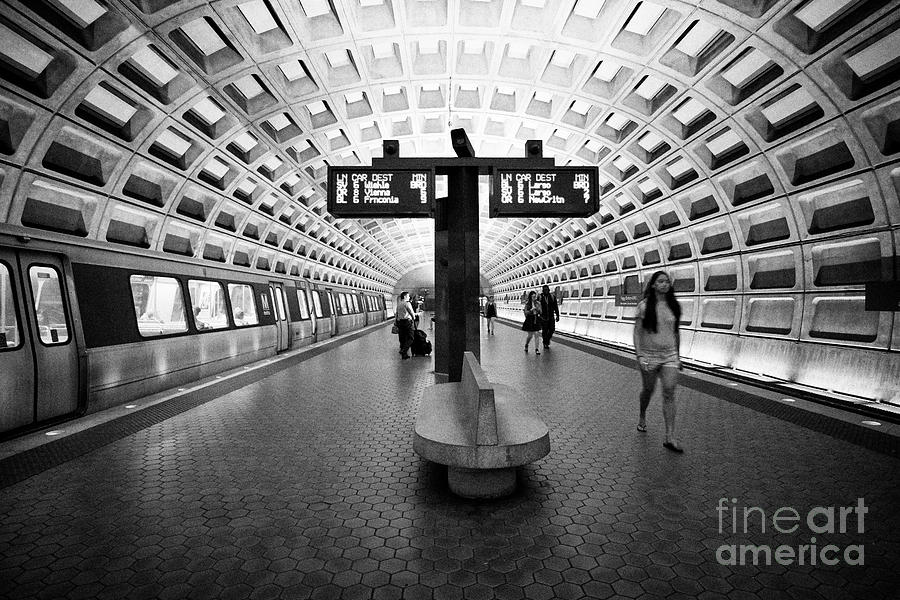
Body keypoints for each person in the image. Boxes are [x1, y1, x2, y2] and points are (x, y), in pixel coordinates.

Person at [633, 271, 684, 453]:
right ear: (653, 285)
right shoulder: (644, 306)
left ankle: (670, 436)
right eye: (661, 281)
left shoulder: (673, 306)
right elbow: (637, 332)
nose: (665, 284)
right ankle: (642, 415)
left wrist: (678, 356)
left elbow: (676, 332)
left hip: (669, 355)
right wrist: (639, 355)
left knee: (669, 392)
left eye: (667, 281)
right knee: (648, 390)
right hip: (649, 355)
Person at [395, 291, 416, 360]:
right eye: (408, 296)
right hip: (407, 322)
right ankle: (404, 350)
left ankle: (404, 353)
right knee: (411, 337)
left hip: (400, 322)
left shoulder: (399, 304)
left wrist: (396, 322)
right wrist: (414, 318)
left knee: (402, 338)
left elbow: (396, 314)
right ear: (404, 297)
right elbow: (411, 312)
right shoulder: (407, 303)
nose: (409, 297)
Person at [538, 285, 560, 349]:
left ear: (549, 290)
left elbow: (555, 307)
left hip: (551, 316)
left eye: (547, 289)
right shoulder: (540, 297)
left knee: (552, 329)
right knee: (544, 330)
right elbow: (536, 306)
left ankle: (547, 340)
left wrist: (557, 315)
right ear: (542, 290)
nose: (546, 291)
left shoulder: (552, 297)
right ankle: (545, 343)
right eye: (544, 290)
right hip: (543, 317)